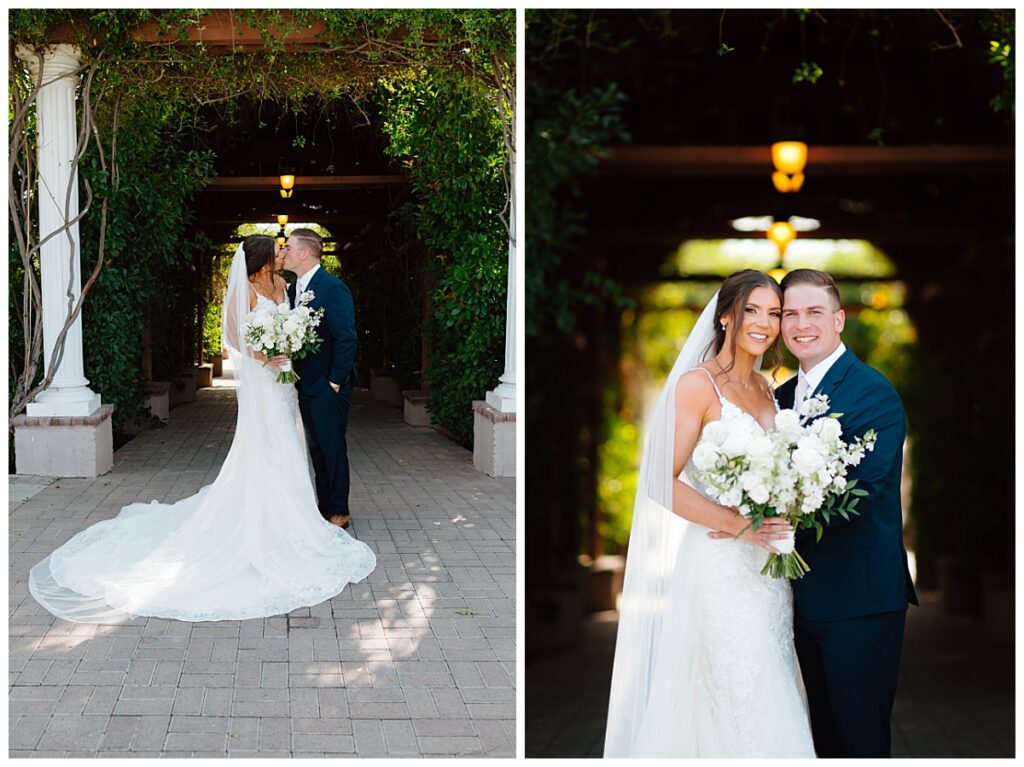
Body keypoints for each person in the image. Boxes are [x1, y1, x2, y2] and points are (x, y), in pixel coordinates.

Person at [28, 235, 376, 623]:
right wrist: (266, 355)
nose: (282, 253)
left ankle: (315, 512)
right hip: (266, 382)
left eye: (287, 249)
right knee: (276, 445)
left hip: (290, 385)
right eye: (277, 251)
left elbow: (324, 331)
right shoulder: (247, 289)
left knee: (297, 446)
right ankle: (283, 516)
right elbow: (233, 337)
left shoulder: (285, 286)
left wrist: (299, 359)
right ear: (261, 259)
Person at [604, 269, 816, 757]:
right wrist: (740, 525)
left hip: (768, 573)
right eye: (752, 311)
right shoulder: (698, 386)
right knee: (735, 688)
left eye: (774, 313)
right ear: (725, 317)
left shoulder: (767, 390)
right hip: (720, 564)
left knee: (773, 676)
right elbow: (659, 480)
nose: (764, 323)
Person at [767, 268, 918, 757]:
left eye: (814, 312)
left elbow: (863, 489)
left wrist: (771, 521)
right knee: (822, 741)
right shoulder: (781, 398)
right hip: (800, 601)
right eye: (790, 313)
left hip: (861, 600)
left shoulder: (874, 393)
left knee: (860, 740)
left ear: (839, 320)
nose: (800, 324)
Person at [276, 229, 358, 530]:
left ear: (305, 253)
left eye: (289, 247)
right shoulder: (294, 289)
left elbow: (346, 337)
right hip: (304, 383)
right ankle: (325, 507)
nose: (284, 252)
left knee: (332, 446)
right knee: (317, 448)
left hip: (327, 385)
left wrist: (335, 382)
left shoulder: (333, 288)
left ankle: (339, 510)